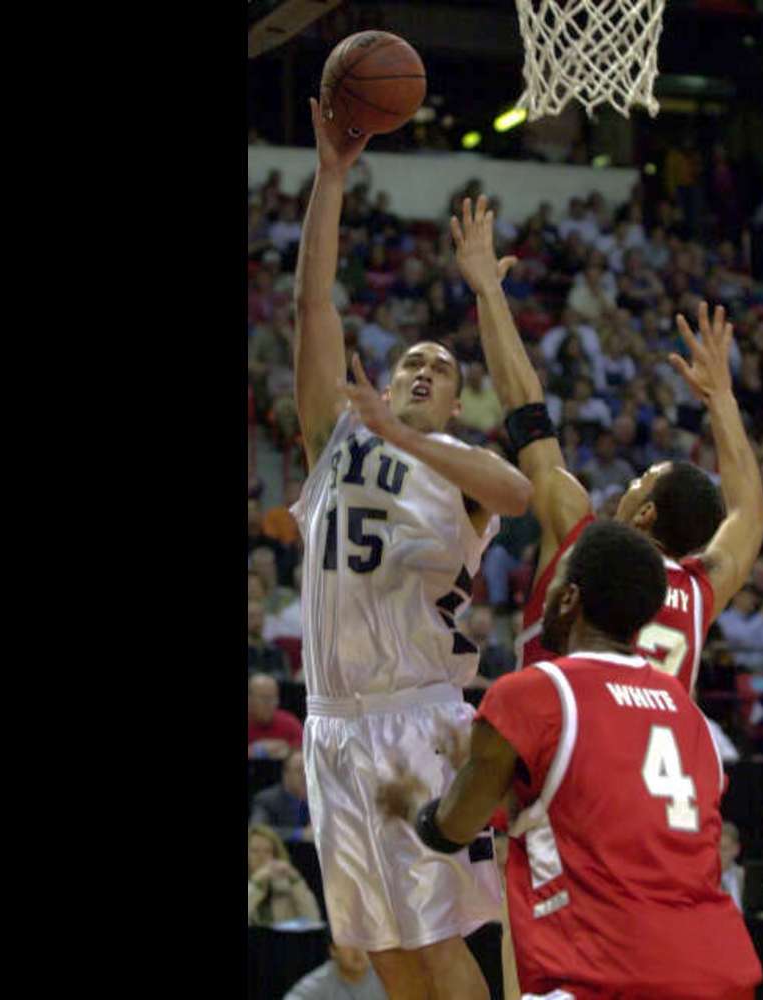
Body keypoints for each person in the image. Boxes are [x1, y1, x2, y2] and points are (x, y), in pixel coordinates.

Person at [287, 98, 533, 1000]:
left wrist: (405, 434)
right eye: (410, 363)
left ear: (457, 404)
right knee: (382, 949)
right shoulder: (333, 439)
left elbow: (522, 495)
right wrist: (332, 176)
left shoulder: (459, 466)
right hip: (330, 726)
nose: (423, 370)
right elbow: (313, 303)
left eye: (441, 369)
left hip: (417, 720)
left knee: (438, 940)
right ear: (385, 383)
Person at [378, 521, 762, 999]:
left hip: (605, 977)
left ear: (568, 597)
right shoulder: (689, 713)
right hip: (719, 972)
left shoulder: (534, 694)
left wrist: (420, 806)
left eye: (555, 579)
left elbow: (452, 828)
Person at [449, 195, 763, 696]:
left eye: (641, 481)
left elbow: (526, 411)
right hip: (655, 747)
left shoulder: (579, 538)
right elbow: (750, 511)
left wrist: (488, 290)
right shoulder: (699, 590)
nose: (630, 485)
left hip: (559, 740)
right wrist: (722, 398)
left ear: (645, 514)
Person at [249, 824, 323, 927]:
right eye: (254, 851)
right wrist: (256, 882)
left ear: (276, 855)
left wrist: (295, 879)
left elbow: (313, 920)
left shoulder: (287, 885)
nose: (261, 856)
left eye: (268, 851)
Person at [283, 941, 387, 1000]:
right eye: (348, 943)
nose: (358, 950)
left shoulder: (387, 975)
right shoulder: (319, 982)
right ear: (333, 950)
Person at [251, 748, 314, 844]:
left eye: (309, 770)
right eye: (299, 770)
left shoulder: (320, 799)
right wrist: (300, 834)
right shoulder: (267, 800)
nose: (305, 776)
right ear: (285, 774)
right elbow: (257, 830)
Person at [248, 674, 302, 759]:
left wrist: (287, 750)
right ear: (250, 700)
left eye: (274, 699)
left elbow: (305, 750)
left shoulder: (288, 722)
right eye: (264, 698)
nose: (270, 704)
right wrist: (256, 749)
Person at [719, 821, 745, 915]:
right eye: (716, 848)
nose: (719, 854)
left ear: (736, 849)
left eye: (724, 849)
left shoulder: (744, 876)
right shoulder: (705, 880)